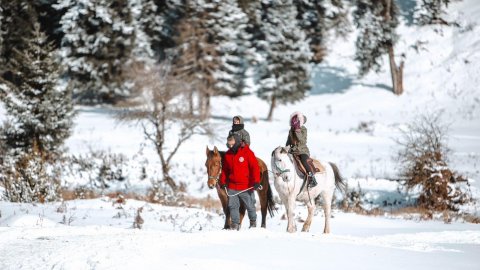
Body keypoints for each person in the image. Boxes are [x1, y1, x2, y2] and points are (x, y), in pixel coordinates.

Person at [219, 133, 261, 230]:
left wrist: (256, 181)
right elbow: (225, 170)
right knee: (233, 206)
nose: (230, 146)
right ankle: (235, 225)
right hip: (232, 187)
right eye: (228, 144)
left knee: (250, 206)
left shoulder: (247, 152)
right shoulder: (228, 154)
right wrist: (223, 181)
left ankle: (253, 223)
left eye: (232, 143)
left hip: (246, 186)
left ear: (237, 142)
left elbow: (254, 167)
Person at [285, 112, 317, 188]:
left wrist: (297, 130)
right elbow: (288, 141)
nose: (294, 122)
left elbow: (301, 141)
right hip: (292, 151)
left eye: (296, 120)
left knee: (304, 160)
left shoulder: (303, 129)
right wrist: (286, 148)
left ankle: (311, 178)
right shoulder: (291, 130)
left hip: (302, 151)